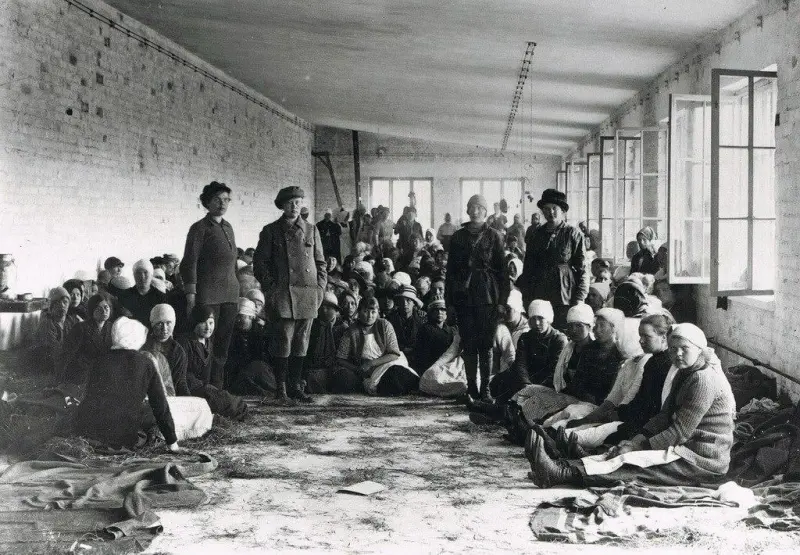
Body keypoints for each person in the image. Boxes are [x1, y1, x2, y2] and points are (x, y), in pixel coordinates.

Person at [527, 323, 736, 488]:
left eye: (685, 349)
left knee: (634, 462)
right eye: (673, 349)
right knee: (625, 451)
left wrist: (639, 445)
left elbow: (680, 431)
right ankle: (565, 466)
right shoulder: (685, 372)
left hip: (702, 458)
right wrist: (635, 439)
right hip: (686, 447)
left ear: (699, 350)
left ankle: (561, 474)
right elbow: (664, 416)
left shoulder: (703, 379)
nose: (678, 354)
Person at [253, 186, 326, 403]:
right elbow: (260, 264)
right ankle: (281, 388)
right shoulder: (271, 231)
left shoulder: (312, 230)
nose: (294, 207)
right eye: (290, 203)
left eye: (298, 202)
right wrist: (272, 288)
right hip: (283, 294)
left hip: (308, 294)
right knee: (283, 340)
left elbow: (321, 263)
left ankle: (295, 386)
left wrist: (320, 288)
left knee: (301, 341)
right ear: (282, 206)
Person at [561, 311, 676, 451]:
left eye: (646, 336)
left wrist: (621, 413)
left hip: (649, 423)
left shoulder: (666, 364)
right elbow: (639, 398)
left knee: (608, 435)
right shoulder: (652, 361)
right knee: (601, 430)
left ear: (663, 337)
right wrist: (620, 412)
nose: (641, 341)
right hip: (637, 417)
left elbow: (652, 404)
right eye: (640, 336)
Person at [72, 317, 181, 452]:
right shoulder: (146, 363)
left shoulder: (100, 360)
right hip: (125, 436)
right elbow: (160, 405)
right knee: (149, 415)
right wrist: (172, 442)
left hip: (93, 433)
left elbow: (89, 398)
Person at [446, 193, 508, 402]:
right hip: (464, 298)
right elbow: (451, 273)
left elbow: (502, 273)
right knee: (469, 344)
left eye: (479, 208)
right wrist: (450, 304)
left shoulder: (495, 236)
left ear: (486, 211)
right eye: (472, 207)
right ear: (467, 210)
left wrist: (502, 302)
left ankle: (486, 390)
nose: (475, 212)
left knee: (486, 345)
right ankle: (471, 389)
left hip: (488, 297)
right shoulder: (458, 237)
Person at [180, 181, 240, 391]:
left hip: (230, 296)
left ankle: (219, 389)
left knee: (223, 345)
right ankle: (205, 389)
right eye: (217, 199)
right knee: (206, 344)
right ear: (207, 202)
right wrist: (191, 294)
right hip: (207, 296)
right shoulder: (199, 229)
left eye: (226, 200)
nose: (222, 204)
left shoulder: (228, 227)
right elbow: (189, 262)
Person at [141, 304, 214, 441]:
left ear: (173, 324)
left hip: (169, 399)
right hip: (146, 398)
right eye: (159, 324)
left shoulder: (178, 351)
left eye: (168, 323)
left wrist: (187, 401)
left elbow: (180, 382)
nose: (164, 329)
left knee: (201, 405)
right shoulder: (143, 345)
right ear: (152, 324)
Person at [518, 189, 588, 330]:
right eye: (546, 209)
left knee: (562, 332)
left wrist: (579, 298)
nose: (551, 212)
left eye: (554, 208)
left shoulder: (573, 234)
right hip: (539, 293)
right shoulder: (536, 234)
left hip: (564, 295)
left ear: (562, 210)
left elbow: (583, 270)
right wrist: (526, 297)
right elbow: (528, 268)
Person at [331, 296, 419, 396]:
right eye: (365, 311)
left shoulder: (384, 325)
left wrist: (371, 363)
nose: (369, 316)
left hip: (389, 363)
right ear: (359, 311)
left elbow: (394, 354)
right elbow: (340, 358)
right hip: (369, 371)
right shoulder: (351, 331)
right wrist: (358, 369)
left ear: (378, 312)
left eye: (373, 312)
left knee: (396, 372)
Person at [177, 305, 248, 419]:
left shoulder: (208, 342)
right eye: (203, 323)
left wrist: (212, 390)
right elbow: (181, 376)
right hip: (189, 390)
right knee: (226, 403)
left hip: (203, 388)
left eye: (211, 323)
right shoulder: (184, 343)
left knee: (230, 401)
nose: (208, 327)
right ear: (195, 323)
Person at [492, 300, 567, 403]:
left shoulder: (559, 339)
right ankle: (498, 410)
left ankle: (502, 412)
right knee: (500, 381)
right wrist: (526, 385)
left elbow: (555, 369)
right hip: (527, 379)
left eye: (541, 318)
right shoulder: (525, 337)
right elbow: (520, 364)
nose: (536, 323)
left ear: (548, 319)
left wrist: (534, 389)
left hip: (546, 380)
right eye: (533, 319)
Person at [60, 292, 114, 386]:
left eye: (106, 307)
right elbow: (68, 355)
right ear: (92, 310)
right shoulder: (80, 328)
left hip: (104, 372)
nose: (104, 311)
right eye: (98, 308)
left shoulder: (112, 328)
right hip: (82, 374)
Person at [227, 298, 276, 396]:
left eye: (241, 316)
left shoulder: (261, 333)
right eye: (236, 317)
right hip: (240, 372)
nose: (238, 320)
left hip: (259, 370)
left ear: (251, 317)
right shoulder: (232, 334)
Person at [30, 287, 80, 374]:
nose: (62, 305)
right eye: (57, 303)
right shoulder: (47, 323)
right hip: (49, 365)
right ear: (51, 306)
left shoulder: (71, 320)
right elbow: (54, 350)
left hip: (66, 359)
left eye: (65, 302)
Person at [303, 291, 342, 393]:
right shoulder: (312, 327)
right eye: (321, 307)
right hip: (315, 367)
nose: (324, 310)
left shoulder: (342, 328)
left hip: (334, 368)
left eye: (329, 308)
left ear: (336, 310)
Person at [115, 259, 167, 328]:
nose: (142, 276)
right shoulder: (124, 296)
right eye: (138, 273)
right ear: (133, 275)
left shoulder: (161, 297)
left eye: (145, 272)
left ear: (151, 275)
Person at [386, 285, 425, 365]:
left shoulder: (422, 319)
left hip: (417, 358)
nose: (405, 304)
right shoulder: (390, 319)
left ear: (414, 303)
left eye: (408, 300)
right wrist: (403, 348)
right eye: (402, 301)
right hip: (396, 357)